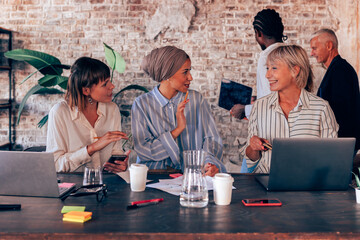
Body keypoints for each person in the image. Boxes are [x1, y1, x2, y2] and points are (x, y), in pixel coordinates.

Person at [240, 45, 338, 173]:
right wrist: (253, 147)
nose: (267, 75)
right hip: (267, 187)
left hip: (308, 188)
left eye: (274, 68)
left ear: (295, 70)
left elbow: (332, 158)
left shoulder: (321, 109)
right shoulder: (259, 107)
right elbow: (250, 160)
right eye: (267, 68)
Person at [131, 46, 226, 177]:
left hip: (193, 178)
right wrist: (177, 130)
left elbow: (212, 139)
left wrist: (209, 163)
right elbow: (144, 150)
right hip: (153, 178)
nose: (190, 77)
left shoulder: (196, 100)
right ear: (167, 74)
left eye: (190, 71)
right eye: (185, 72)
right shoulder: (141, 104)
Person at [46, 57, 128, 173]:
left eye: (109, 81)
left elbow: (116, 152)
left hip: (107, 184)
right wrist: (92, 148)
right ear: (86, 91)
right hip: (74, 187)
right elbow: (55, 164)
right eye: (105, 84)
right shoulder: (60, 112)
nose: (112, 86)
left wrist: (120, 165)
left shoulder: (112, 109)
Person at [230, 8, 287, 120]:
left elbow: (272, 104)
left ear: (258, 33)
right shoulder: (291, 53)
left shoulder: (267, 57)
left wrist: (244, 110)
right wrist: (258, 98)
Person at [310, 29, 360, 153]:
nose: (312, 53)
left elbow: (340, 112)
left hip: (341, 144)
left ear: (329, 46)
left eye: (315, 48)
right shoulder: (337, 68)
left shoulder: (340, 71)